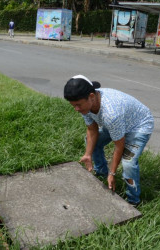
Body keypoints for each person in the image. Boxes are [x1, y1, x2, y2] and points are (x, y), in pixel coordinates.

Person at [64, 75, 154, 205]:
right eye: (73, 105)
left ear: (91, 97)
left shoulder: (111, 114)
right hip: (118, 123)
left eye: (78, 105)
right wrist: (88, 154)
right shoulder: (86, 107)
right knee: (92, 143)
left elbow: (119, 145)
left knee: (128, 164)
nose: (76, 109)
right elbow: (92, 130)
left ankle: (133, 201)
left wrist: (113, 173)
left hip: (138, 125)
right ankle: (102, 174)